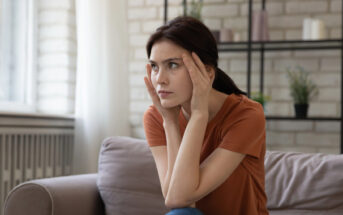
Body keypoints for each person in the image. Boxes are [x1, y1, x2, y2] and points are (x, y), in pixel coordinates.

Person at [143, 16, 269, 215]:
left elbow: (179, 198)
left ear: (208, 73)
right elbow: (175, 198)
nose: (159, 79)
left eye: (173, 65)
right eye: (155, 66)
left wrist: (199, 114)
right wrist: (170, 122)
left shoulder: (246, 115)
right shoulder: (156, 117)